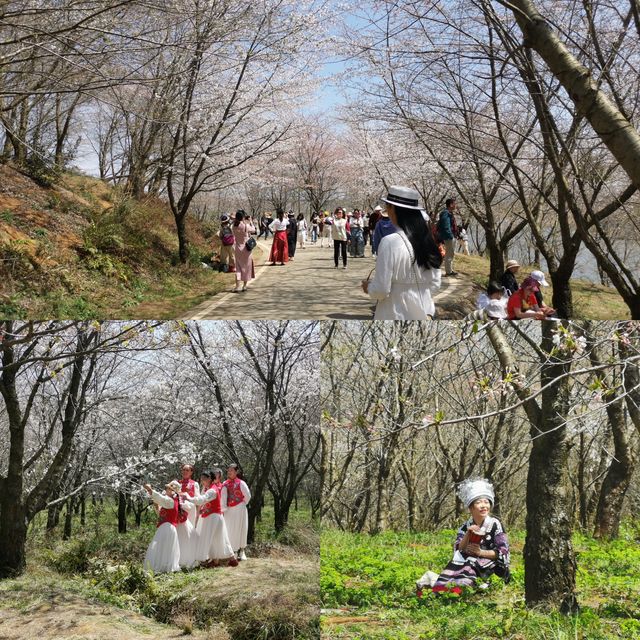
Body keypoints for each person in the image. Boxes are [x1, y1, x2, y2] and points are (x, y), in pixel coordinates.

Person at [362, 185, 442, 320]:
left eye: (387, 207)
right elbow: (435, 285)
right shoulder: (428, 241)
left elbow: (381, 290)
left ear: (393, 209)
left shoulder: (389, 242)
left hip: (394, 311)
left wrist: (369, 287)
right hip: (425, 311)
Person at [424, 478, 510, 595]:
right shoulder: (465, 526)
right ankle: (443, 591)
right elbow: (458, 550)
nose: (484, 506)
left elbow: (503, 553)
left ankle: (459, 591)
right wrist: (468, 534)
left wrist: (481, 552)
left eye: (486, 502)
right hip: (467, 562)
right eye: (479, 502)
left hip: (490, 566)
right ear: (470, 507)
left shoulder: (495, 524)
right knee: (454, 566)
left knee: (469, 568)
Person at [186, 470, 238, 568]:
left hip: (213, 516)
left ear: (209, 479)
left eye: (204, 479)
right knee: (218, 537)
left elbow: (202, 499)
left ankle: (201, 559)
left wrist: (188, 498)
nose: (202, 481)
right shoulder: (210, 489)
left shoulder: (212, 490)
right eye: (201, 480)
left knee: (207, 536)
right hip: (214, 516)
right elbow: (202, 499)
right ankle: (223, 560)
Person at [142, 481, 181, 574]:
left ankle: (161, 568)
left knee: (160, 547)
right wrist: (156, 506)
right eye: (167, 488)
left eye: (169, 489)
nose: (166, 490)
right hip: (165, 527)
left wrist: (150, 490)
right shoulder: (169, 502)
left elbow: (160, 498)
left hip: (167, 527)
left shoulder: (171, 501)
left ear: (173, 492)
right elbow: (161, 514)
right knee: (161, 547)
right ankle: (160, 567)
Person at [222, 463, 251, 561]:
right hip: (229, 510)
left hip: (240, 508)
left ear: (236, 472)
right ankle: (232, 551)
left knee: (241, 528)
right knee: (229, 529)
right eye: (228, 470)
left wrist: (242, 504)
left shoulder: (241, 483)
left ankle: (242, 550)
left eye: (231, 470)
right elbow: (223, 497)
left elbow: (247, 496)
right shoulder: (225, 483)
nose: (229, 472)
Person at [231, 210, 255, 293]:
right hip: (246, 249)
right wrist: (250, 221)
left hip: (238, 248)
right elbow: (253, 230)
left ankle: (237, 286)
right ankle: (244, 286)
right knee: (246, 267)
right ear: (243, 217)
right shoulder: (245, 225)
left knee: (238, 267)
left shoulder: (234, 226)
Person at [438, 198, 458, 276]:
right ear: (451, 204)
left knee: (451, 253)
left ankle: (450, 270)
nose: (456, 205)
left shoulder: (448, 213)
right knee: (449, 254)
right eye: (454, 203)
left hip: (451, 236)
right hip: (449, 237)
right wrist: (450, 236)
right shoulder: (446, 213)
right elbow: (446, 225)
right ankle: (448, 271)